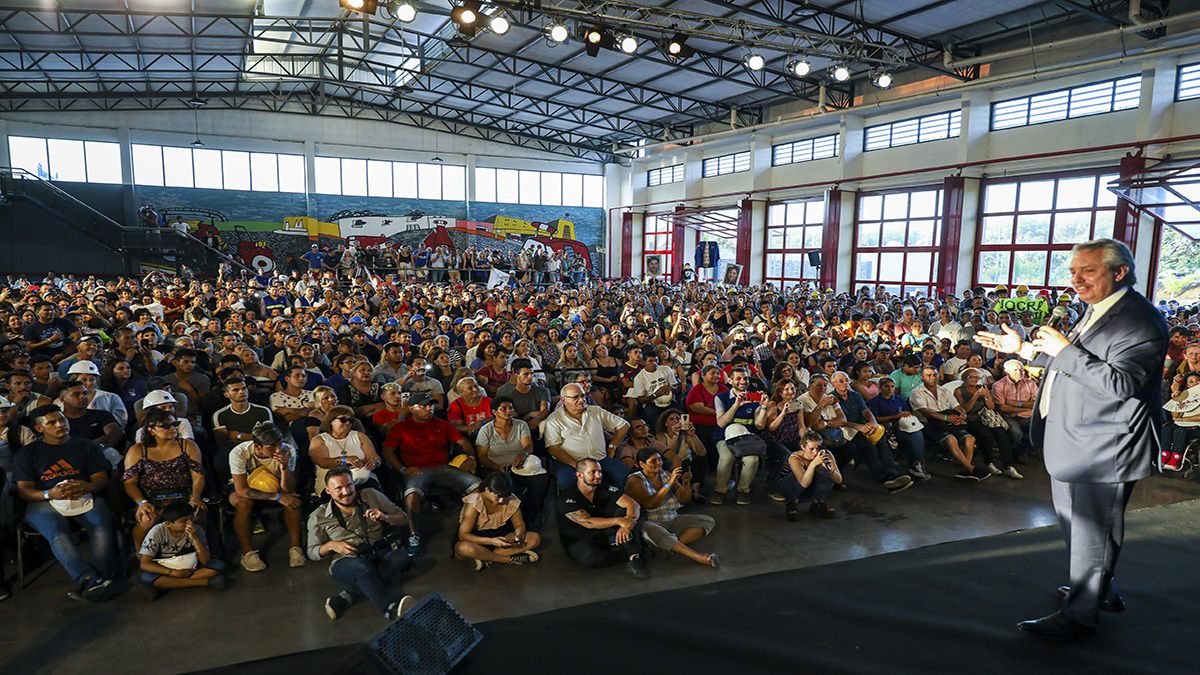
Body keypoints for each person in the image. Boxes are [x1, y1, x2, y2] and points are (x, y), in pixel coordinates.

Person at [978, 239, 1166, 640]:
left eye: (1088, 270)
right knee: (1087, 529)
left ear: (1119, 272)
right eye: (1073, 271)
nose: (1076, 279)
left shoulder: (1139, 321)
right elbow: (1075, 365)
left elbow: (1121, 383)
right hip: (1076, 438)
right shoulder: (1101, 309)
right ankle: (1099, 589)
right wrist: (1026, 349)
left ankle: (1081, 614)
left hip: (1101, 446)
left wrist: (1063, 351)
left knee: (1090, 531)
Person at [12, 405, 121, 601]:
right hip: (44, 499)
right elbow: (25, 491)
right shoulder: (27, 454)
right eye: (52, 423)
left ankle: (103, 577)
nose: (60, 425)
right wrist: (49, 493)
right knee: (56, 531)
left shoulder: (86, 446)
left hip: (82, 494)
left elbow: (100, 479)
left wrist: (88, 486)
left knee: (101, 521)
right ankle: (88, 579)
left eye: (62, 420)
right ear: (39, 429)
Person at [306, 467, 416, 621]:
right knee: (363, 569)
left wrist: (385, 516)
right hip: (347, 562)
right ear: (328, 491)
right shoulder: (318, 516)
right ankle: (389, 609)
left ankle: (348, 596)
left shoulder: (371, 495)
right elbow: (311, 552)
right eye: (338, 488)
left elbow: (403, 518)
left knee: (403, 557)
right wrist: (331, 545)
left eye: (349, 485)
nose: (346, 492)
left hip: (377, 553)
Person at [380, 391, 480, 557]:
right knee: (411, 495)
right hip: (417, 470)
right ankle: (414, 536)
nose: (429, 408)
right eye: (424, 405)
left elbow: (463, 442)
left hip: (443, 467)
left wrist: (471, 457)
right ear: (412, 409)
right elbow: (387, 450)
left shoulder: (442, 424)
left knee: (477, 486)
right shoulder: (401, 427)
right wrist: (402, 469)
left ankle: (467, 528)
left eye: (431, 405)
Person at [227, 421, 307, 572]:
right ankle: (247, 553)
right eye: (271, 447)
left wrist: (284, 468)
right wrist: (277, 497)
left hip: (274, 483)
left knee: (292, 500)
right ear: (257, 447)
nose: (278, 449)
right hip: (246, 485)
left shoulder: (288, 451)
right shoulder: (239, 453)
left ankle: (296, 547)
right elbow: (241, 490)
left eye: (280, 443)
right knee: (243, 504)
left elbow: (289, 489)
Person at [122, 407, 206, 548]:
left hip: (183, 495)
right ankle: (140, 552)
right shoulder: (138, 450)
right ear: (151, 430)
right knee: (147, 519)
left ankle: (200, 550)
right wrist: (141, 503)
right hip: (151, 498)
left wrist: (195, 497)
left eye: (174, 424)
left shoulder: (187, 446)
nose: (172, 428)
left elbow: (198, 475)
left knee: (198, 514)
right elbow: (129, 483)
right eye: (165, 426)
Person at [557, 458, 650, 579]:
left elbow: (633, 504)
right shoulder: (567, 496)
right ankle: (633, 550)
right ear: (579, 475)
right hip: (580, 538)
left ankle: (635, 557)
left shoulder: (605, 488)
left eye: (600, 472)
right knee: (591, 559)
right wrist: (619, 521)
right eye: (593, 472)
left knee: (627, 512)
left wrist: (628, 522)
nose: (598, 475)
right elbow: (588, 522)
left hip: (605, 530)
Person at [624, 448, 718, 567]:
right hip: (650, 522)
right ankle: (698, 557)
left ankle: (668, 547)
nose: (659, 463)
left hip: (671, 518)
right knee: (651, 529)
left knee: (707, 521)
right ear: (642, 464)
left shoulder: (666, 474)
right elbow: (649, 504)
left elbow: (684, 499)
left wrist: (685, 483)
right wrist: (669, 484)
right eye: (653, 461)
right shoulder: (635, 479)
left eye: (659, 459)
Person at [475, 396, 549, 530]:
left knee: (539, 480)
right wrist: (498, 467)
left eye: (510, 408)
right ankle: (509, 521)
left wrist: (523, 454)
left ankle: (532, 515)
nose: (508, 411)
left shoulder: (521, 425)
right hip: (495, 468)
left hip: (519, 466)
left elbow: (528, 446)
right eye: (503, 409)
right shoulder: (486, 430)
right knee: (505, 484)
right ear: (494, 412)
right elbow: (482, 457)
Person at [542, 382, 631, 489]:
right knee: (567, 482)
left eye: (583, 396)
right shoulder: (554, 419)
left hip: (600, 459)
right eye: (575, 397)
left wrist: (612, 447)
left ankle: (616, 503)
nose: (581, 400)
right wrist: (577, 465)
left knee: (624, 475)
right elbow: (553, 449)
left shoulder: (595, 411)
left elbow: (624, 425)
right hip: (570, 463)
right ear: (563, 400)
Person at [909, 365, 989, 481]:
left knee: (970, 438)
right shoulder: (917, 392)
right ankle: (971, 469)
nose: (933, 378)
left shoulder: (944, 390)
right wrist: (947, 418)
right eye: (929, 375)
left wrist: (963, 415)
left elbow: (957, 406)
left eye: (935, 375)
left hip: (947, 422)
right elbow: (927, 413)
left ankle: (967, 470)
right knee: (951, 439)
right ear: (922, 378)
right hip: (928, 424)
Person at [136, 501, 227, 599]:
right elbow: (144, 564)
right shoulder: (157, 532)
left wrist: (195, 538)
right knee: (145, 577)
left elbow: (205, 560)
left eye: (191, 519)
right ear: (169, 524)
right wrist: (172, 572)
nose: (190, 523)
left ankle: (167, 584)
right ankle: (205, 582)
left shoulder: (196, 529)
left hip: (190, 568)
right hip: (167, 569)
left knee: (218, 565)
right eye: (184, 521)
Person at [454, 472, 541, 570]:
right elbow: (463, 535)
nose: (502, 501)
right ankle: (507, 559)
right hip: (477, 538)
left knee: (535, 538)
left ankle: (484, 556)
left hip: (500, 536)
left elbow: (519, 524)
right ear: (487, 490)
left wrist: (519, 535)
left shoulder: (510, 499)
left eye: (505, 496)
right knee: (463, 548)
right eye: (498, 496)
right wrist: (491, 541)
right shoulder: (475, 501)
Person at [308, 405, 383, 494]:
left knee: (371, 492)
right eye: (343, 420)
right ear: (331, 421)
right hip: (332, 480)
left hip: (362, 478)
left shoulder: (360, 436)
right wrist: (344, 459)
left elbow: (375, 457)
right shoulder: (319, 440)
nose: (347, 423)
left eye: (351, 420)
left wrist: (374, 462)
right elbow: (322, 462)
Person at [769, 432, 842, 520]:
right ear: (803, 447)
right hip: (789, 486)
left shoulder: (826, 454)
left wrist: (829, 469)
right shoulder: (795, 458)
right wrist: (813, 464)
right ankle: (792, 502)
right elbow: (803, 483)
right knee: (798, 475)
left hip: (809, 487)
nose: (815, 452)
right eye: (811, 449)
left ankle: (817, 501)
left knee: (825, 473)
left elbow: (839, 480)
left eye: (818, 448)